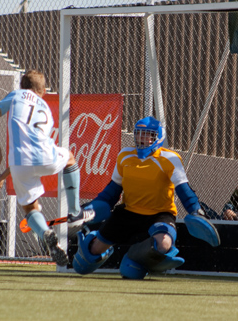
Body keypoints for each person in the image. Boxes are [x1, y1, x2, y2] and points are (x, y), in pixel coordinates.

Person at [69, 116, 221, 279]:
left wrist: (196, 211)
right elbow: (111, 193)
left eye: (148, 135)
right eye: (139, 134)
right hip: (128, 213)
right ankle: (99, 247)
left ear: (158, 137)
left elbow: (184, 190)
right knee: (83, 264)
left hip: (160, 213)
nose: (142, 139)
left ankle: (134, 259)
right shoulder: (125, 155)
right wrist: (87, 210)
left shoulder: (170, 158)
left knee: (164, 243)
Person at [0, 70, 89, 266]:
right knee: (70, 158)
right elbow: (35, 152)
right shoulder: (46, 108)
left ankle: (45, 233)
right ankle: (75, 212)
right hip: (45, 157)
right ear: (43, 90)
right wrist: (3, 177)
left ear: (22, 86)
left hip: (20, 164)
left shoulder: (15, 95)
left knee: (30, 208)